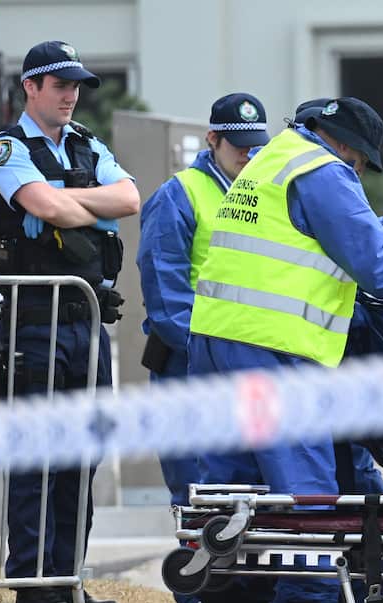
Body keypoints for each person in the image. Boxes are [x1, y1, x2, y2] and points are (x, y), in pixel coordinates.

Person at [186, 96, 383, 603]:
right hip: (276, 348)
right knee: (304, 488)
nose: (357, 172)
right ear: (345, 146)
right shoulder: (323, 171)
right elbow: (376, 266)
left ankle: (229, 601)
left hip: (215, 339)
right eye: (360, 162)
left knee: (231, 484)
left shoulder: (270, 160)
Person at [0, 40, 139, 603]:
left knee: (82, 457)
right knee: (36, 460)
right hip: (34, 326)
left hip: (87, 323)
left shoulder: (87, 144)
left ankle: (68, 580)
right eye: (59, 84)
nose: (71, 94)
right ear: (30, 87)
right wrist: (83, 206)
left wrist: (70, 202)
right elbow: (42, 208)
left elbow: (130, 197)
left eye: (77, 86)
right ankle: (33, 588)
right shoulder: (5, 147)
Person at [136, 93, 270, 507]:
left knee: (248, 498)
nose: (249, 155)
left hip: (245, 364)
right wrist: (210, 352)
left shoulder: (265, 194)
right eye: (239, 146)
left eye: (257, 146)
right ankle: (203, 572)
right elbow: (166, 293)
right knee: (199, 494)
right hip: (189, 365)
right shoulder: (180, 194)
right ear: (212, 139)